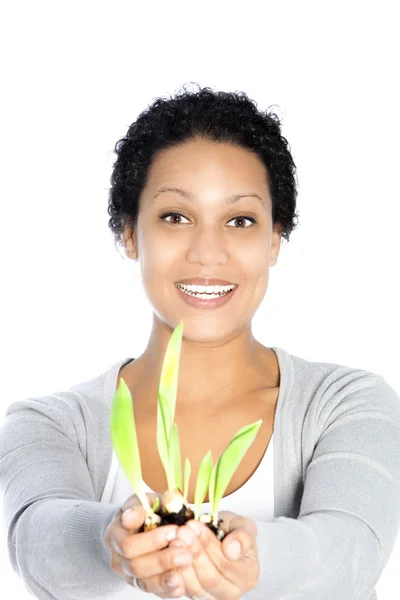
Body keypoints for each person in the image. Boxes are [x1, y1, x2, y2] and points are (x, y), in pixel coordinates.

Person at [1, 84, 400, 600]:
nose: (208, 253)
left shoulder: (346, 404)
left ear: (274, 239)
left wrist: (245, 558)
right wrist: (112, 542)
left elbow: (351, 553)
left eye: (240, 221)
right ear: (129, 234)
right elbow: (37, 540)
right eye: (175, 217)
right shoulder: (48, 423)